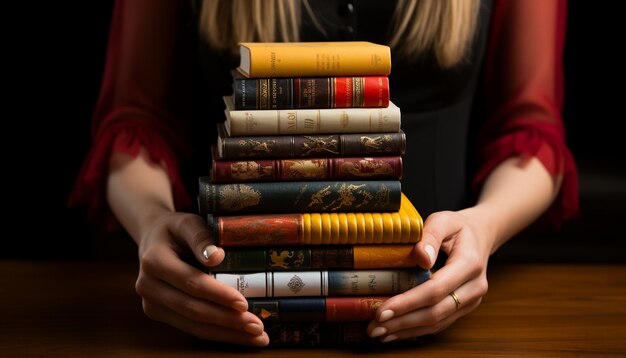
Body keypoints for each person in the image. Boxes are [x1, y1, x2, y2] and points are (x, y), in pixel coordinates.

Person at [70, 0, 578, 347]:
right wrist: (152, 221)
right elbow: (134, 121)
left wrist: (486, 225)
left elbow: (531, 128)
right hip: (227, 315)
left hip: (435, 323)